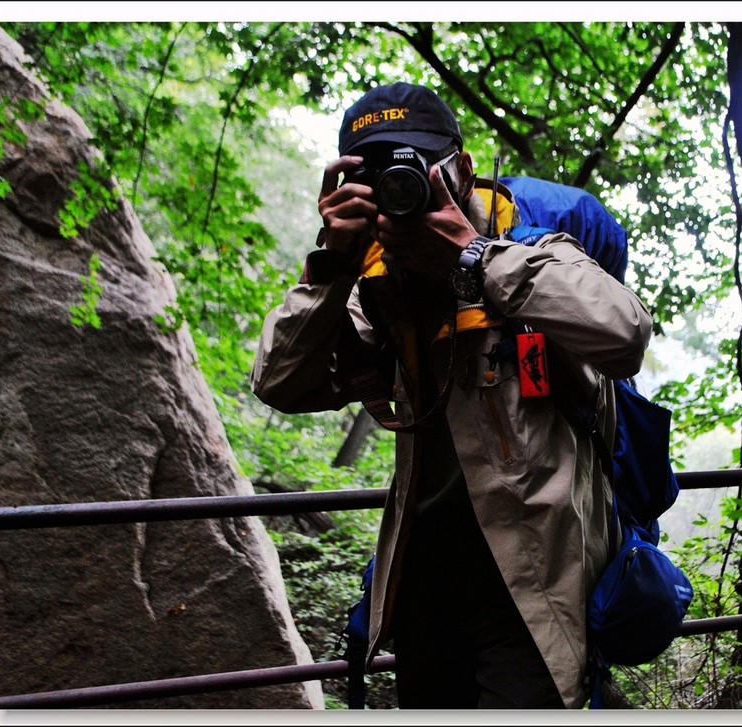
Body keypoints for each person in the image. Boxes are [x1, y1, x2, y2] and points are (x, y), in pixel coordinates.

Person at [250, 81, 653, 709]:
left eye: (414, 165)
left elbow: (623, 332)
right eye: (375, 172)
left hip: (532, 580)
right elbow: (280, 381)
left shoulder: (530, 250)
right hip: (427, 586)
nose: (397, 187)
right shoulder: (375, 283)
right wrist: (332, 264)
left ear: (461, 169)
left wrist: (471, 256)